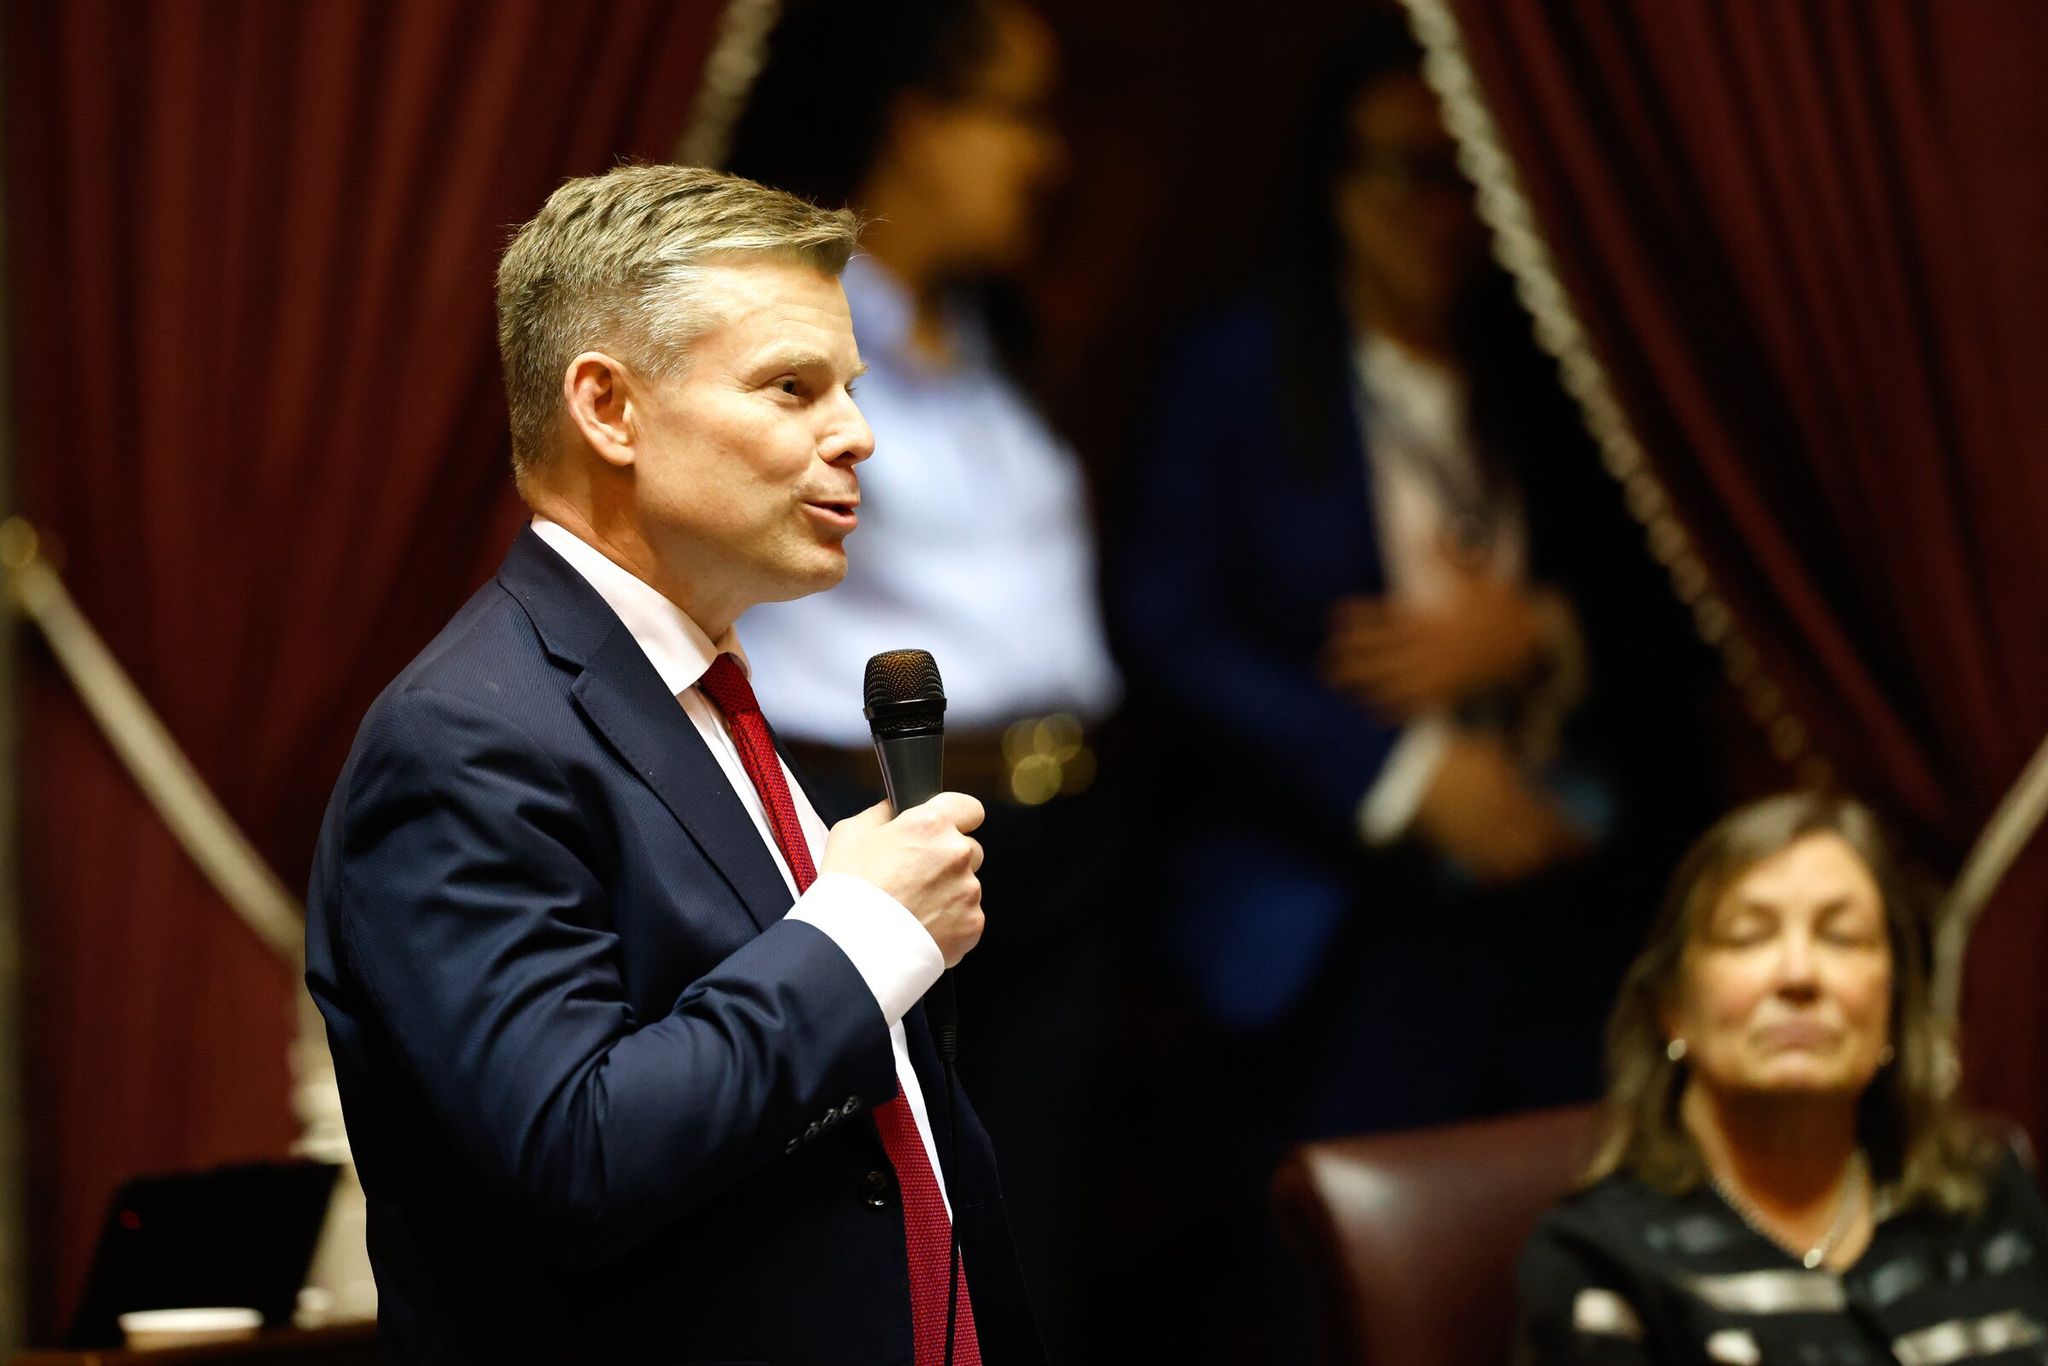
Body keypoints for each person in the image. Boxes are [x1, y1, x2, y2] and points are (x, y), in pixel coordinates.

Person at [304, 164, 1044, 1365]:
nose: (856, 433)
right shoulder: (464, 736)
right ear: (608, 408)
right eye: (791, 387)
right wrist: (857, 932)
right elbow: (574, 1151)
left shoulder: (703, 696)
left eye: (848, 389)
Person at [1112, 11, 1710, 1357]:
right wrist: (1399, 774)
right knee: (1344, 1301)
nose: (1439, 214)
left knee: (1565, 1285)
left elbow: (1675, 596)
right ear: (1332, 182)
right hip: (1335, 926)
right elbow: (1166, 625)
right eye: (1401, 173)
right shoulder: (1238, 371)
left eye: (1466, 177)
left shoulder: (1552, 371)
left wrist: (1541, 635)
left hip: (1553, 911)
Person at [723, 4, 1121, 1352]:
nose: (1046, 157)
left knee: (1042, 1212)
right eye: (1015, 113)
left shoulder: (1000, 329)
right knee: (898, 1210)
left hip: (1063, 820)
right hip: (876, 797)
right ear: (916, 119)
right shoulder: (805, 334)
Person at [1516, 793, 2048, 1363]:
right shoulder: (1601, 1261)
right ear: (1671, 1007)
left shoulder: (1985, 1196)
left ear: (1893, 1007)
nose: (1798, 975)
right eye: (1749, 936)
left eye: (1841, 936)